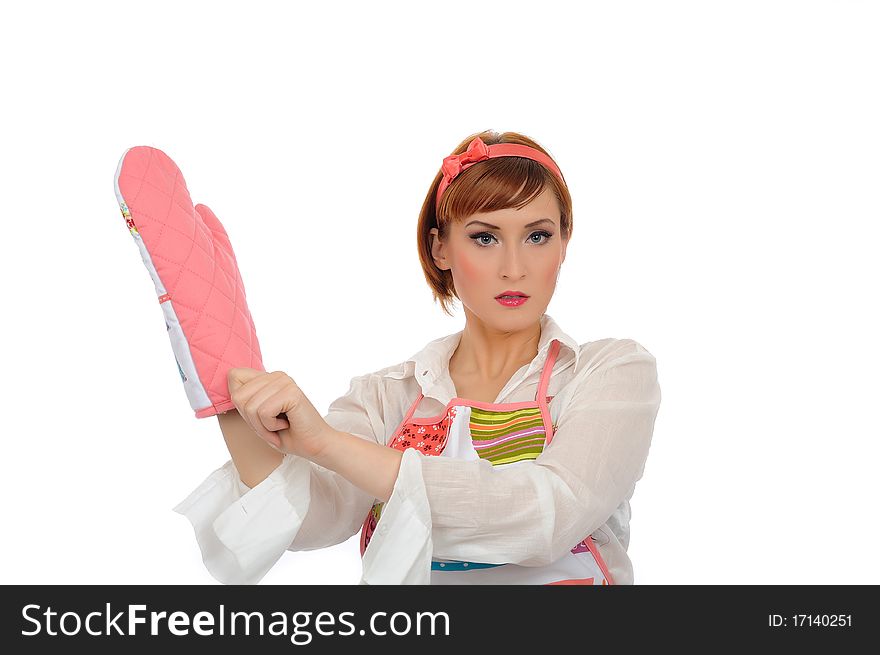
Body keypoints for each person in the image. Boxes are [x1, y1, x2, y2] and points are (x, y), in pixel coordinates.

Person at [173, 129, 662, 585]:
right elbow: (312, 518)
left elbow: (546, 517)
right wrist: (226, 373)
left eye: (537, 236)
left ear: (564, 244)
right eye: (484, 237)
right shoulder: (386, 395)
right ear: (441, 247)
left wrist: (330, 446)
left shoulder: (609, 374)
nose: (515, 268)